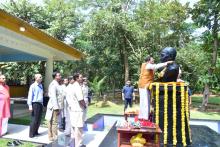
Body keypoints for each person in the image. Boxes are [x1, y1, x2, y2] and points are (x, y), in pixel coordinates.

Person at [138, 56, 173, 120]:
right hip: (144, 85)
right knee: (145, 102)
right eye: (152, 59)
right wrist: (167, 63)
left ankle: (143, 116)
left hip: (145, 85)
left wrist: (165, 67)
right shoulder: (148, 65)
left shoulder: (148, 65)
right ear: (148, 60)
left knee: (145, 101)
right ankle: (145, 117)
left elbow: (156, 68)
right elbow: (156, 66)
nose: (153, 59)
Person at [66, 73, 87, 147]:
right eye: (81, 77)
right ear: (77, 78)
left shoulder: (71, 86)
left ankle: (73, 143)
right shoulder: (77, 86)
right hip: (78, 109)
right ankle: (79, 144)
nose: (82, 78)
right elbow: (80, 99)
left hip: (73, 109)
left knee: (73, 127)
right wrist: (85, 106)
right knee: (79, 127)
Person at [45, 71, 62, 141]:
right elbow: (53, 97)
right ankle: (54, 136)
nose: (60, 76)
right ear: (55, 77)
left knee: (53, 121)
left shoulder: (56, 84)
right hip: (53, 106)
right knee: (53, 122)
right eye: (59, 75)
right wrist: (56, 108)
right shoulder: (53, 84)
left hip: (56, 105)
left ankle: (52, 136)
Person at [27, 74, 44, 138]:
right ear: (36, 78)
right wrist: (30, 106)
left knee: (39, 119)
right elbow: (30, 96)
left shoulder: (41, 85)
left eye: (41, 77)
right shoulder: (33, 86)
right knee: (34, 119)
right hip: (35, 104)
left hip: (40, 104)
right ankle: (31, 134)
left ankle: (36, 131)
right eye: (40, 77)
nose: (41, 78)